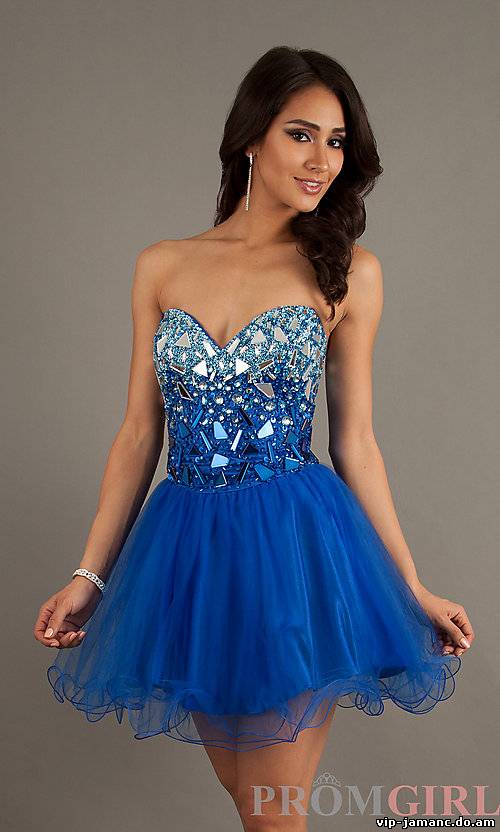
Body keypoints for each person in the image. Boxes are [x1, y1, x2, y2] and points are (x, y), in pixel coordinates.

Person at [34, 46, 474, 828]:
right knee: (250, 800)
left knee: (272, 812)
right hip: (190, 552)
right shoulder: (162, 265)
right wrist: (89, 577)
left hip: (294, 547)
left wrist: (409, 586)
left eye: (336, 142)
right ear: (251, 137)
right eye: (301, 134)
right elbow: (138, 434)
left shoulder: (350, 272)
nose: (322, 160)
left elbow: (356, 444)